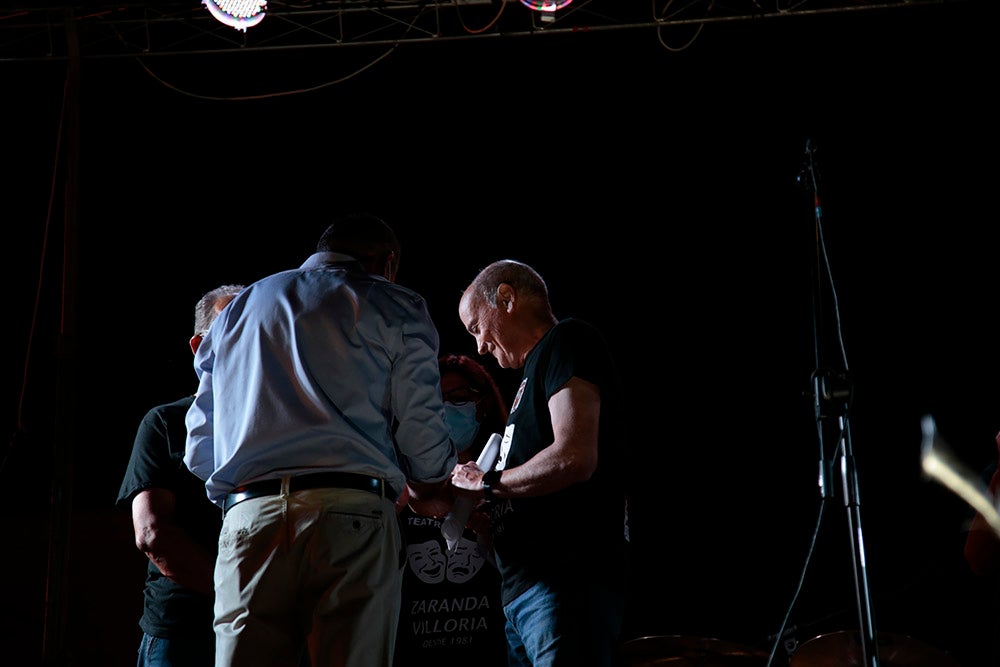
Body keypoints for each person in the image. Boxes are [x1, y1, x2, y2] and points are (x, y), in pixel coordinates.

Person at [183, 212, 458, 667]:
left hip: (249, 517)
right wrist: (430, 483)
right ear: (388, 262)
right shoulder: (394, 302)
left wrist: (253, 490)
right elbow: (421, 426)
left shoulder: (238, 309)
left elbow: (199, 446)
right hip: (350, 516)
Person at [449, 259, 630, 667]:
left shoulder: (567, 340)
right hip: (523, 596)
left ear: (506, 298)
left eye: (477, 327)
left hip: (564, 584)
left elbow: (574, 456)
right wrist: (488, 513)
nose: (478, 346)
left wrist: (487, 483)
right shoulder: (529, 376)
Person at [117, 283, 244, 667]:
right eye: (230, 333)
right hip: (183, 631)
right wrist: (238, 597)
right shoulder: (166, 423)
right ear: (198, 347)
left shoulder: (281, 428)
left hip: (257, 628)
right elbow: (153, 534)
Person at [393, 353, 509, 667]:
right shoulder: (397, 482)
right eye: (436, 402)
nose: (446, 410)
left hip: (489, 648)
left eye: (458, 400)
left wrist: (484, 524)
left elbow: (524, 574)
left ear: (481, 406)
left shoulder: (508, 479)